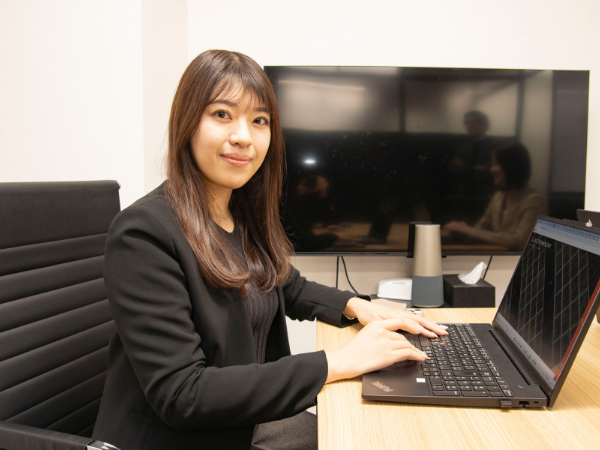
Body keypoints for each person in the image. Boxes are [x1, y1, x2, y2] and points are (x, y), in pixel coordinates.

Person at [91, 50, 447, 450]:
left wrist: (357, 305)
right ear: (187, 122)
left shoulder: (238, 214)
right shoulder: (144, 233)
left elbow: (282, 284)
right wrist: (337, 362)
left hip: (242, 421)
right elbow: (183, 393)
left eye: (259, 120)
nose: (244, 136)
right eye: (222, 114)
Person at [444, 142, 546, 251]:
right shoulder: (498, 197)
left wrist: (467, 230)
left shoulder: (535, 200)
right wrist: (460, 230)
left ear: (511, 166)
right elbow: (480, 230)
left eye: (496, 164)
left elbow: (518, 242)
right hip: (498, 257)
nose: (492, 170)